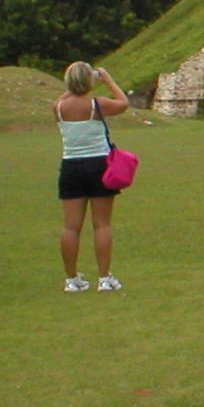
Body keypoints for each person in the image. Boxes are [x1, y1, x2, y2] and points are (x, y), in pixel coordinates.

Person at [54, 62, 130, 292]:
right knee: (102, 225)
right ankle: (105, 278)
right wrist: (106, 79)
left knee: (71, 227)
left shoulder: (58, 107)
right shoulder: (96, 104)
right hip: (98, 164)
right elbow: (123, 103)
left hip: (70, 167)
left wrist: (76, 85)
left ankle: (71, 279)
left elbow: (64, 98)